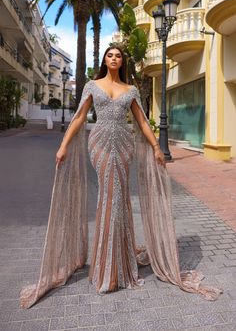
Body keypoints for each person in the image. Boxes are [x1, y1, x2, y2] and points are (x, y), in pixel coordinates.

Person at [20, 46, 222, 309]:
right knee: (108, 197)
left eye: (118, 56)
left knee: (120, 199)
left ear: (122, 61)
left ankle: (120, 263)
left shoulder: (131, 90)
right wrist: (63, 145)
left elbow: (141, 122)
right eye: (110, 55)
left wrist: (156, 148)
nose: (114, 59)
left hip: (124, 146)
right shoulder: (92, 85)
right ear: (104, 60)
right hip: (100, 144)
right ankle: (108, 268)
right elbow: (80, 117)